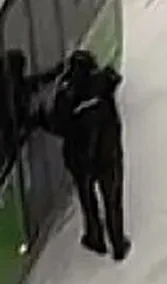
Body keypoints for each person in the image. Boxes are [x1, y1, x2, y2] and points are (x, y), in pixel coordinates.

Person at [45, 49, 130, 261]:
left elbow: (57, 124)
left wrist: (38, 119)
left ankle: (95, 238)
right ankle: (118, 245)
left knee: (88, 198)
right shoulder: (102, 84)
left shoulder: (67, 96)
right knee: (113, 199)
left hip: (81, 160)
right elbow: (115, 79)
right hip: (109, 154)